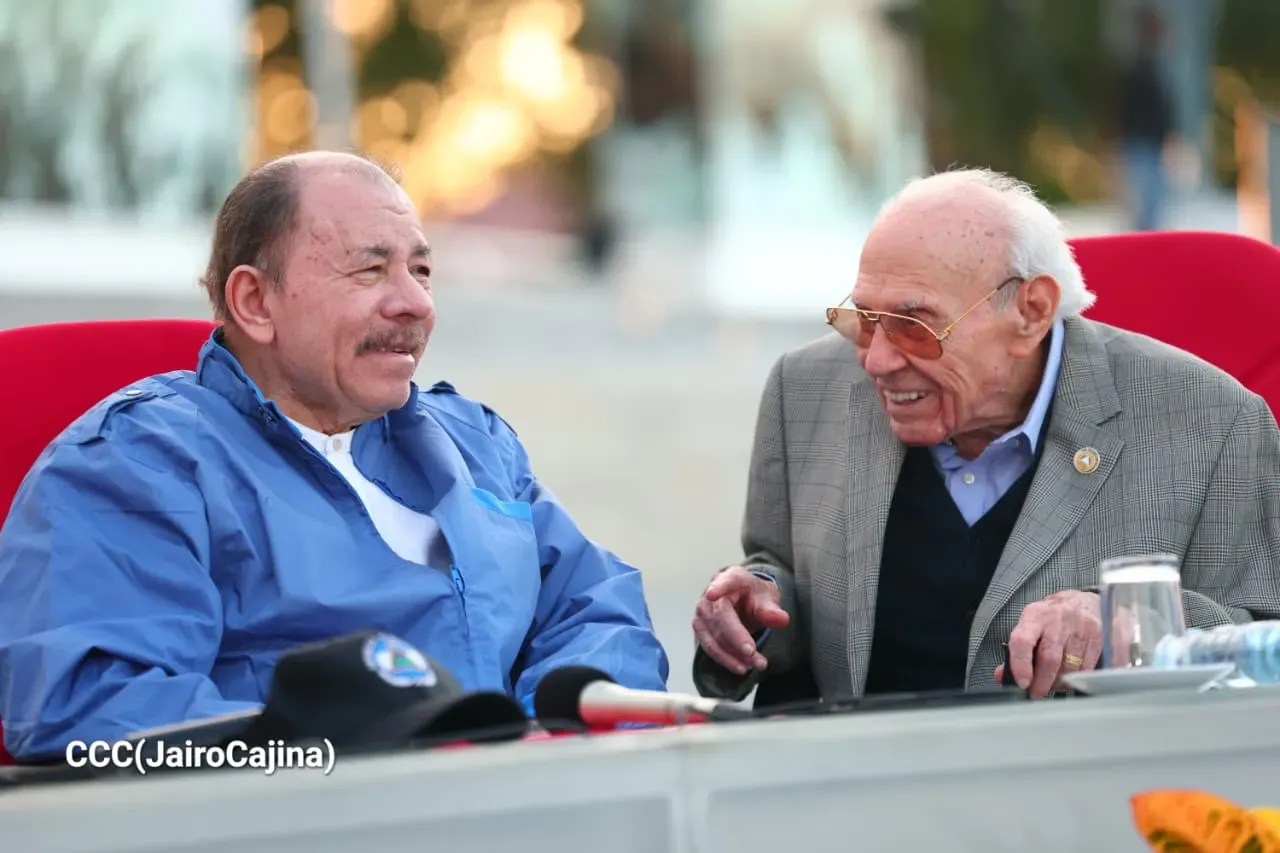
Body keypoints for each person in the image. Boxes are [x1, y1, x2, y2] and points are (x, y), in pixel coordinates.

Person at [0, 151, 669, 762]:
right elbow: (95, 713)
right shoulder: (137, 465)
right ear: (255, 302)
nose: (415, 302)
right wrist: (350, 758)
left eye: (422, 269)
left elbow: (598, 610)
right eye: (371, 269)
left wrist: (547, 736)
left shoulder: (476, 443)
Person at [691, 168, 1280, 705]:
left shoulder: (1212, 421)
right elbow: (782, 571)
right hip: (860, 785)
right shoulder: (805, 388)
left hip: (1085, 795)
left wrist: (1125, 622)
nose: (876, 360)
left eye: (915, 325)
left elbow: (1260, 638)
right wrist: (754, 604)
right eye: (863, 320)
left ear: (1032, 310)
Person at [1117, 5, 1177, 231]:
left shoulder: (1154, 63)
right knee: (1146, 201)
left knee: (1152, 201)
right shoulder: (1141, 65)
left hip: (1149, 142)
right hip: (1141, 142)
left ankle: (1147, 237)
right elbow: (1130, 108)